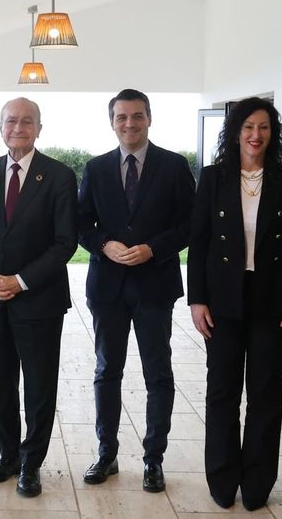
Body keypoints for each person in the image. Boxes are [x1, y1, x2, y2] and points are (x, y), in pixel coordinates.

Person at [187, 97, 282, 511]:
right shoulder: (213, 176)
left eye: (263, 127)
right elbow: (200, 242)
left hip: (272, 299)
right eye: (248, 127)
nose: (256, 135)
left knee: (265, 392)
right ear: (235, 132)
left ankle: (257, 481)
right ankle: (222, 478)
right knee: (221, 391)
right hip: (222, 299)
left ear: (272, 134)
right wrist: (197, 299)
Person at [76, 89, 194, 492]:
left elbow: (190, 224)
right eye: (122, 117)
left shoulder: (175, 166)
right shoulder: (95, 168)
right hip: (107, 287)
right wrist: (103, 243)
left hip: (154, 286)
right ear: (112, 122)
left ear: (149, 118)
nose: (130, 123)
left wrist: (154, 249)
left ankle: (153, 459)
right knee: (107, 370)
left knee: (157, 373)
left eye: (137, 116)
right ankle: (106, 454)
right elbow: (82, 223)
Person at [0, 97, 78, 498]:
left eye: (27, 121)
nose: (18, 127)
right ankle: (9, 455)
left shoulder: (59, 176)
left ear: (39, 128)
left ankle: (32, 464)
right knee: (0, 382)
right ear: (0, 127)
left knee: (39, 386)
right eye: (11, 121)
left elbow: (65, 242)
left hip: (39, 300)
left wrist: (21, 280)